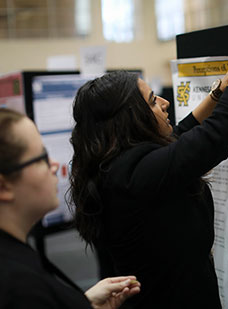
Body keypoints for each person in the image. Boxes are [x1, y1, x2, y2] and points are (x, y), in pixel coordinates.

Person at [68, 23, 228, 308]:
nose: (165, 103)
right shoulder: (136, 175)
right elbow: (222, 129)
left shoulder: (115, 165)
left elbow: (181, 133)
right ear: (131, 119)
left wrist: (218, 92)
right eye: (153, 101)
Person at [0, 108, 141, 309]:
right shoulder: (18, 287)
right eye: (41, 158)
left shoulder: (15, 260)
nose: (54, 165)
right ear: (4, 187)